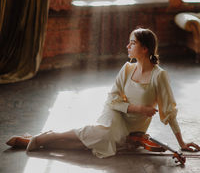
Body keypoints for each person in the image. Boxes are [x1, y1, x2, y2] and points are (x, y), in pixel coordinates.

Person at [6, 27, 200, 157]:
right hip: (115, 114)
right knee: (104, 136)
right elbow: (112, 99)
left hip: (132, 128)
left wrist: (181, 143)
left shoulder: (160, 76)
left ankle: (39, 140)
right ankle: (46, 137)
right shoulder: (127, 69)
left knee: (94, 143)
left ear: (145, 48)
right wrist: (138, 108)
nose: (128, 46)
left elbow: (170, 110)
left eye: (132, 43)